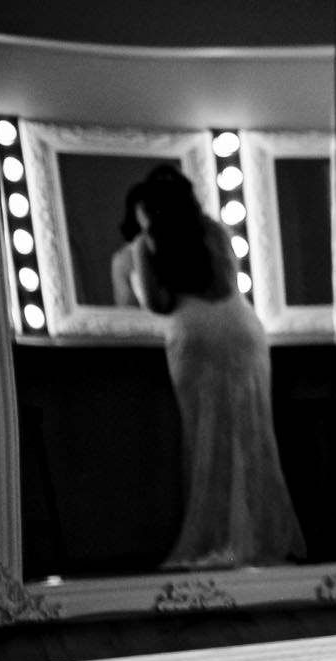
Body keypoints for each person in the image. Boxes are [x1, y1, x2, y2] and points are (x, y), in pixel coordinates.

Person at [117, 164, 307, 571]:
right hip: (243, 330)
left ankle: (215, 539)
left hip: (195, 338)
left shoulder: (146, 244)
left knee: (205, 439)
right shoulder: (214, 230)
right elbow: (227, 285)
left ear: (149, 211)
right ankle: (256, 538)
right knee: (254, 434)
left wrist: (149, 273)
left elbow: (157, 304)